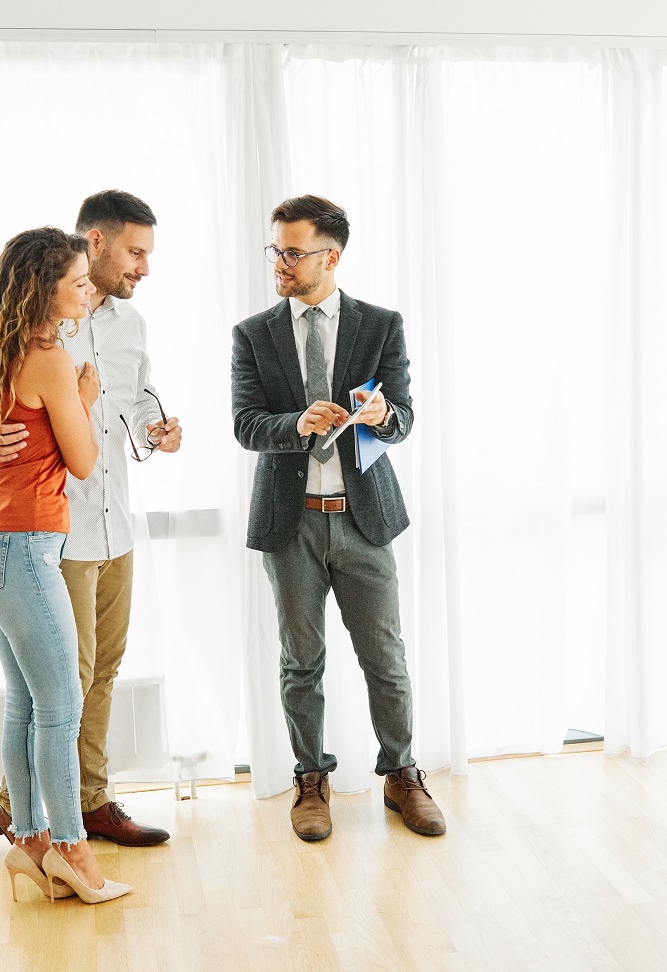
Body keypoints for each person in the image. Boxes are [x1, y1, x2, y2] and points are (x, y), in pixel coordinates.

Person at [230, 195, 446, 841]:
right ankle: (310, 779)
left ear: (332, 256)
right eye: (277, 250)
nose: (281, 263)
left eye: (293, 252)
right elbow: (245, 426)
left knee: (386, 659)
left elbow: (403, 418)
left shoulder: (380, 325)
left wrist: (383, 417)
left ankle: (401, 773)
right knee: (301, 662)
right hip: (289, 524)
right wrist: (295, 423)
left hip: (364, 520)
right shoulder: (254, 334)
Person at [0, 191, 181, 847]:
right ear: (95, 241)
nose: (144, 267)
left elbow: (139, 394)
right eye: (136, 251)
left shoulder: (132, 326)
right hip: (52, 533)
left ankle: (89, 801)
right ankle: (22, 806)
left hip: (114, 525)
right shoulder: (37, 316)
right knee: (62, 683)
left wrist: (160, 425)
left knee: (103, 670)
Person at [0, 227, 132, 904]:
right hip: (22, 548)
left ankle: (29, 844)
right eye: (78, 282)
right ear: (42, 289)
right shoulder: (50, 359)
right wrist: (84, 393)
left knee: (26, 701)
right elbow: (82, 461)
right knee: (61, 704)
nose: (89, 289)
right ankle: (75, 854)